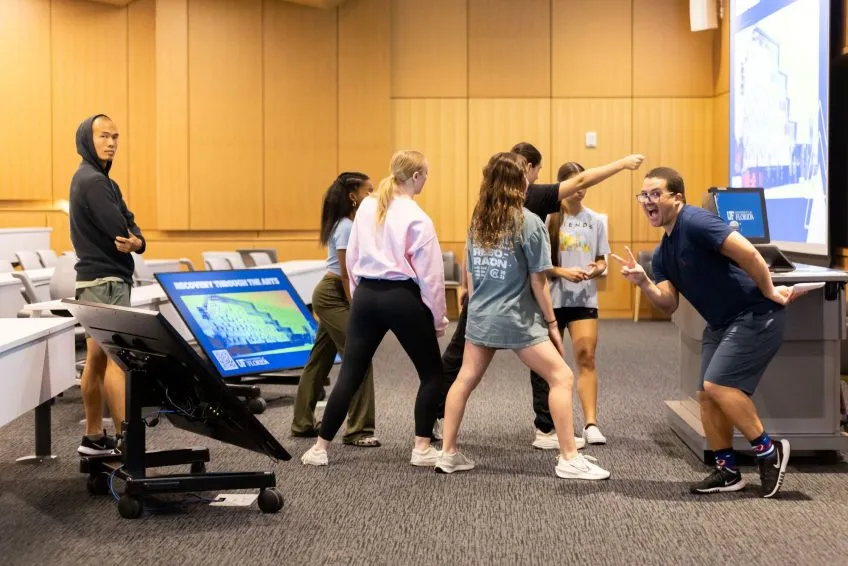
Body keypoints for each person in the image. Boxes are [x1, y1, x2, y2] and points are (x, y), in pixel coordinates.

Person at [436, 142, 644, 451]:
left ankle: (441, 445)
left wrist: (469, 290)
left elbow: (473, 259)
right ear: (526, 170)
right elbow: (539, 279)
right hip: (516, 307)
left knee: (462, 374)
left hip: (484, 306)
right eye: (532, 170)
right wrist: (623, 162)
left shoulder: (481, 213)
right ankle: (566, 452)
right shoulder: (531, 210)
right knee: (559, 374)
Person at [611, 166, 793, 498]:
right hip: (722, 323)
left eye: (655, 194)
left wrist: (769, 291)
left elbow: (750, 253)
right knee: (707, 396)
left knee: (718, 385)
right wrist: (644, 282)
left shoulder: (696, 221)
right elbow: (667, 303)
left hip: (754, 313)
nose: (647, 201)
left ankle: (769, 451)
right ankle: (727, 470)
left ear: (676, 198)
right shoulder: (664, 250)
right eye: (643, 195)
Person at [301, 149, 448, 467]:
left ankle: (319, 449)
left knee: (350, 373)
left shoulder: (366, 206)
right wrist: (438, 318)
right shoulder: (418, 217)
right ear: (417, 176)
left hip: (366, 294)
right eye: (426, 175)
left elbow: (351, 260)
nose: (426, 181)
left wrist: (358, 297)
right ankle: (421, 449)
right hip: (401, 297)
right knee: (432, 374)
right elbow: (431, 276)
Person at [69, 114, 146, 456]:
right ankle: (126, 443)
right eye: (104, 136)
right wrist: (132, 236)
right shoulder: (96, 182)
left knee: (96, 360)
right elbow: (120, 225)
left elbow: (132, 228)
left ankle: (94, 436)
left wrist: (138, 241)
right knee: (117, 362)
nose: (112, 142)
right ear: (88, 138)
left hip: (91, 282)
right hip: (108, 281)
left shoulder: (95, 179)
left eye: (116, 136)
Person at [290, 172, 380, 448]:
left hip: (333, 294)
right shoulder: (346, 227)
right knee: (359, 358)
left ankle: (303, 422)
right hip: (334, 295)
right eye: (368, 191)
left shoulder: (348, 224)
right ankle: (358, 430)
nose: (373, 196)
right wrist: (357, 306)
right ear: (353, 196)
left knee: (319, 359)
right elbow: (345, 273)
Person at [540, 161, 610, 445]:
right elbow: (540, 266)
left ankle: (591, 423)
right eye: (575, 183)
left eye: (585, 183)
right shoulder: (547, 219)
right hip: (552, 300)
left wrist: (594, 269)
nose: (581, 189)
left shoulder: (595, 220)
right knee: (553, 366)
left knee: (586, 357)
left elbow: (603, 261)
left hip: (584, 299)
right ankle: (552, 426)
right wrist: (562, 272)